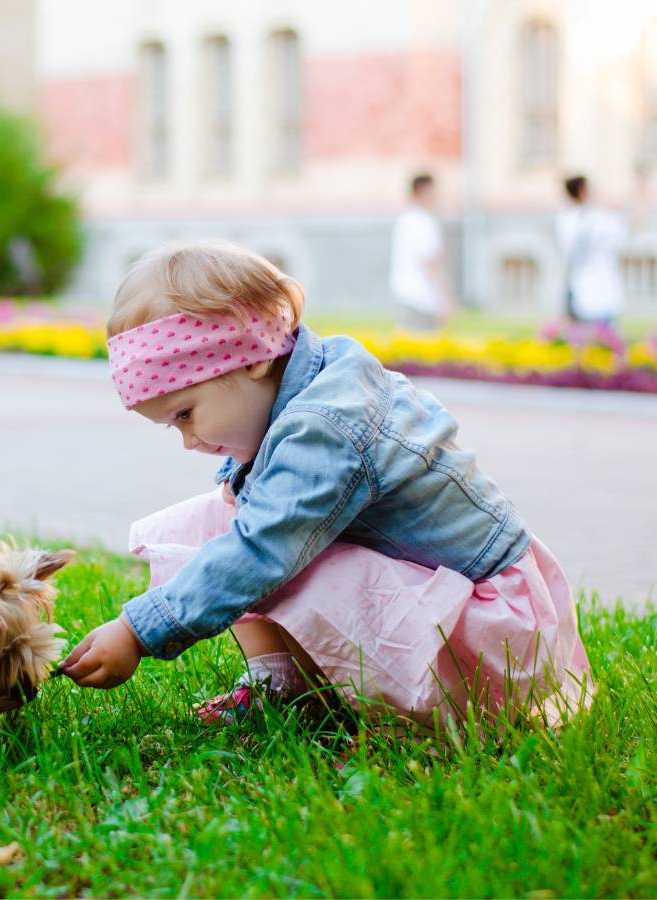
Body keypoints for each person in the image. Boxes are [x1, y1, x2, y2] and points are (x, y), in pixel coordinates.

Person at [59, 240, 592, 727]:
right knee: (226, 518)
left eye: (185, 414)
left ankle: (405, 726)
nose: (188, 441)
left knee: (260, 549)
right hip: (453, 609)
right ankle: (283, 686)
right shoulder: (313, 373)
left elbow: (260, 553)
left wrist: (139, 631)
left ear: (253, 356)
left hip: (492, 634)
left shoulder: (327, 426)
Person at [555, 175, 627, 327]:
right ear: (582, 191)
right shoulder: (579, 218)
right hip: (587, 287)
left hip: (601, 286)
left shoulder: (589, 215)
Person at [389, 173, 451, 331]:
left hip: (405, 294)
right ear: (423, 191)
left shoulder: (405, 219)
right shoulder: (424, 222)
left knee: (407, 342)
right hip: (422, 298)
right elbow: (430, 262)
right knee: (425, 342)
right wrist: (444, 298)